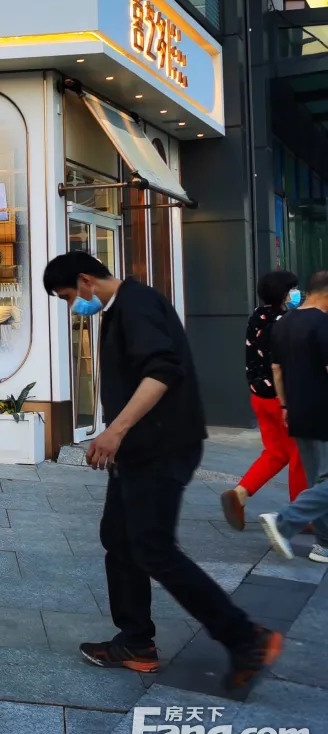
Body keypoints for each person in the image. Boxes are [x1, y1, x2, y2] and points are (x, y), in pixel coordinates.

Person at [43, 252, 282, 689]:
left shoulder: (137, 305)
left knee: (153, 548)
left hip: (163, 447)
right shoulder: (119, 309)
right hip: (139, 450)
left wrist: (115, 430)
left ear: (85, 280)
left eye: (67, 296)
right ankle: (136, 642)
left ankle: (246, 638)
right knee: (119, 538)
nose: (72, 306)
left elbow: (161, 371)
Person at [220, 270, 306, 530]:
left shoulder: (257, 316)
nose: (296, 293)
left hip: (259, 396)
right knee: (299, 455)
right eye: (293, 289)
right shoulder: (287, 321)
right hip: (282, 398)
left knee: (276, 452)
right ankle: (303, 515)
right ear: (284, 292)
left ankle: (240, 493)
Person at [257, 269, 328, 564]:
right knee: (324, 482)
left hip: (297, 409)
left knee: (319, 481)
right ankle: (284, 521)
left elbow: (276, 370)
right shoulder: (323, 324)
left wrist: (285, 406)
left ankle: (324, 545)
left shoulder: (283, 323)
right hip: (323, 410)